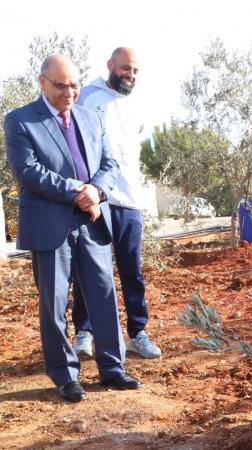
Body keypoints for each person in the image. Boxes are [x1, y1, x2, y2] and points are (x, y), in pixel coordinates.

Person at [4, 54, 140, 403]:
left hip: (93, 219)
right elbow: (28, 171)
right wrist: (78, 191)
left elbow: (109, 163)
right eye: (61, 85)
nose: (70, 93)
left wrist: (95, 190)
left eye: (75, 85)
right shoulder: (20, 120)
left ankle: (113, 368)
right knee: (54, 304)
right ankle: (65, 376)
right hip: (51, 224)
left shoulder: (89, 115)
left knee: (104, 295)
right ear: (42, 82)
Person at [71, 47, 161, 359]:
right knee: (91, 270)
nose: (130, 75)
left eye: (135, 71)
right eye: (125, 68)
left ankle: (138, 332)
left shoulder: (138, 104)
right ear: (110, 65)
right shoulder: (87, 98)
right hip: (97, 198)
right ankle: (84, 332)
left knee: (132, 271)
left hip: (130, 200)